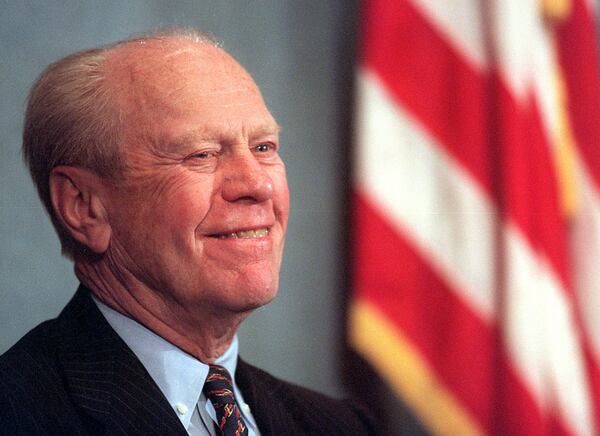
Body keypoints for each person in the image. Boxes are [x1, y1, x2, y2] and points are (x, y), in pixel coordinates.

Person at [0, 29, 376, 435]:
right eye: (202, 155)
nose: (258, 186)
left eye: (264, 147)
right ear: (84, 206)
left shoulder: (340, 426)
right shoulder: (17, 413)